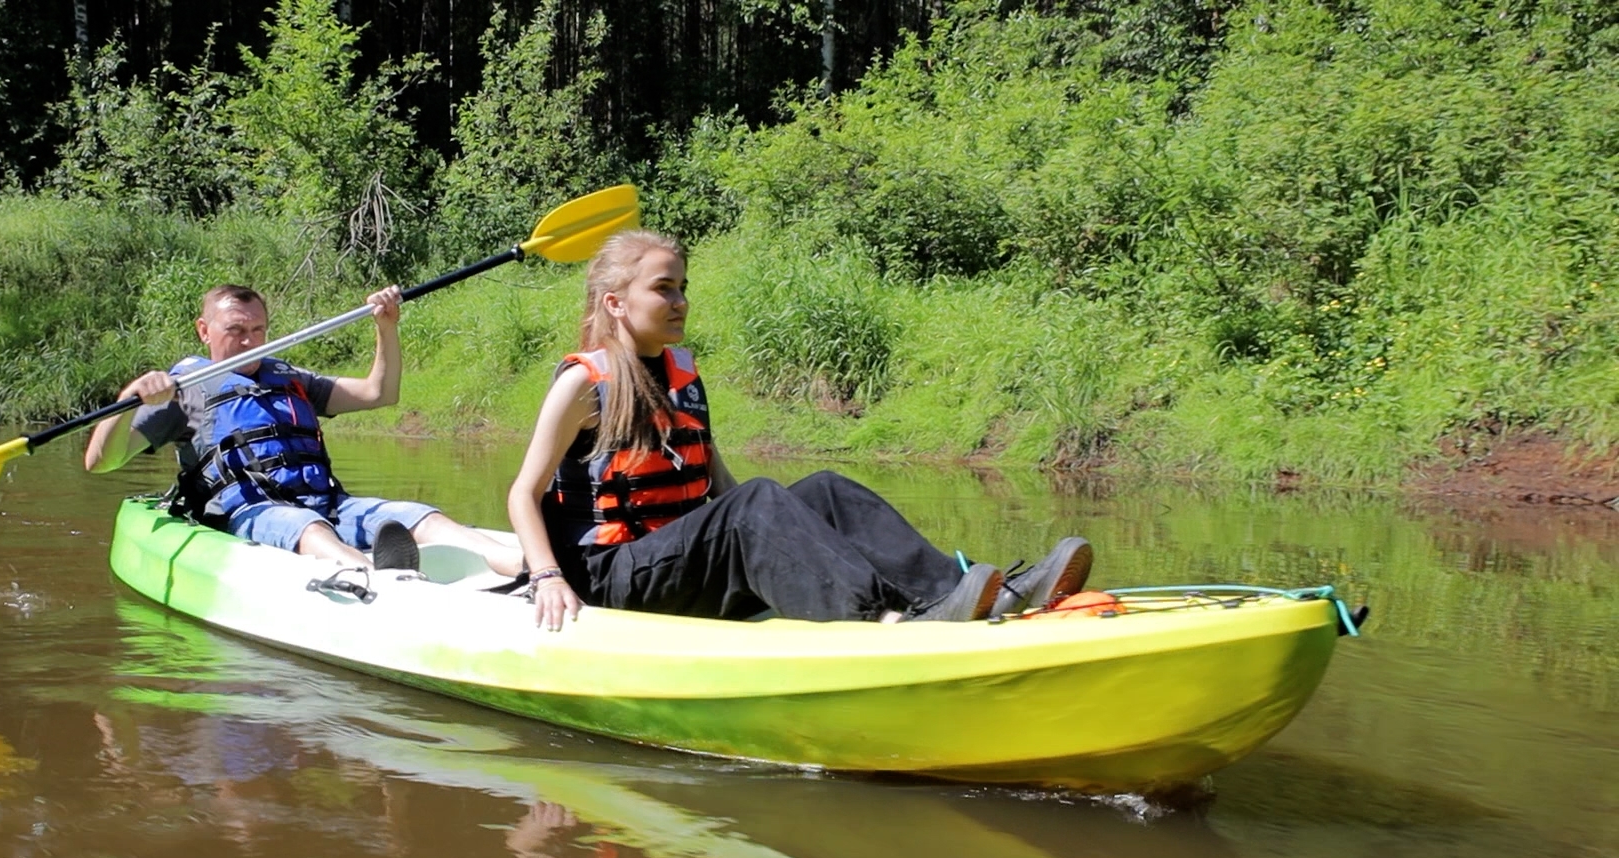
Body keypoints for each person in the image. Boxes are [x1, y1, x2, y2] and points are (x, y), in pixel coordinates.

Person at [504, 230, 1092, 630]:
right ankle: (880, 622)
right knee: (760, 501)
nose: (680, 300)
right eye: (663, 288)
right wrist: (550, 578)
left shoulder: (681, 374)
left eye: (682, 287)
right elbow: (523, 494)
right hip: (613, 576)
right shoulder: (584, 384)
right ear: (614, 302)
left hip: (677, 559)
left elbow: (721, 492)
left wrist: (798, 529)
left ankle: (959, 594)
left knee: (825, 491)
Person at [86, 284, 523, 575]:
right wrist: (130, 399)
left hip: (330, 503)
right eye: (235, 331)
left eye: (258, 330)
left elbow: (378, 393)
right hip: (252, 514)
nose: (249, 342)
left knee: (420, 516)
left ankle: (525, 566)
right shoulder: (186, 390)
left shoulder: (287, 376)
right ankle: (375, 582)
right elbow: (101, 462)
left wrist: (386, 327)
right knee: (310, 528)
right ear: (204, 330)